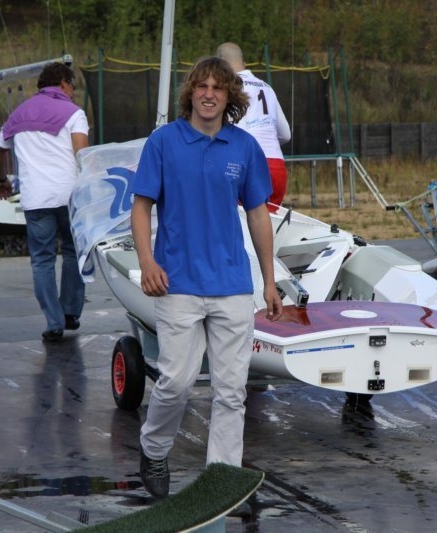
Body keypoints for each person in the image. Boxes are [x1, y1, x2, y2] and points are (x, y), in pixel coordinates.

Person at [131, 56, 283, 499]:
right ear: (191, 92)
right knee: (176, 383)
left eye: (218, 87)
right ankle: (154, 449)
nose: (209, 94)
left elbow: (258, 215)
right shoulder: (163, 142)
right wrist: (147, 262)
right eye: (202, 86)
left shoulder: (244, 147)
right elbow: (141, 207)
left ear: (229, 96)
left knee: (231, 392)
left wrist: (269, 281)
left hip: (232, 285)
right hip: (177, 283)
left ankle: (221, 479)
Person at [0, 62, 89, 342]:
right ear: (64, 83)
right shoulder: (74, 113)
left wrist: (1, 180)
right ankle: (70, 312)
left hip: (36, 200)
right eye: (73, 86)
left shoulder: (19, 114)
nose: (73, 92)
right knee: (74, 253)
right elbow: (82, 155)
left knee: (42, 260)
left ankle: (53, 323)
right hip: (70, 196)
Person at [217, 42, 291, 212]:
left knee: (240, 222)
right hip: (276, 166)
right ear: (242, 61)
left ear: (221, 62)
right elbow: (286, 134)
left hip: (249, 165)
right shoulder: (267, 87)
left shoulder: (230, 88)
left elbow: (229, 131)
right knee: (268, 224)